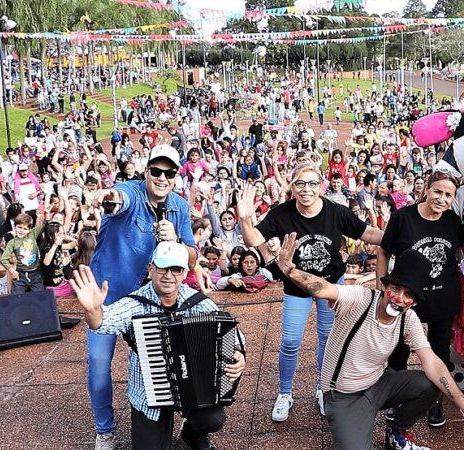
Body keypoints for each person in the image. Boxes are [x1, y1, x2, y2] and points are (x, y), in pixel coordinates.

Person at [274, 234, 464, 449]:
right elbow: (324, 288)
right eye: (396, 289)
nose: (400, 299)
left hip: (379, 384)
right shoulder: (360, 299)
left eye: (409, 295)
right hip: (344, 396)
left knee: (431, 384)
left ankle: (397, 432)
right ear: (385, 286)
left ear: (414, 302)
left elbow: (433, 363)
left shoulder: (408, 319)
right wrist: (291, 271)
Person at [237, 162, 383, 422]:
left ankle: (322, 389)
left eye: (313, 183)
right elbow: (252, 239)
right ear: (291, 186)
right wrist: (245, 218)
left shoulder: (336, 212)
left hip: (330, 285)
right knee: (291, 341)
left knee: (327, 338)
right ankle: (285, 393)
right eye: (300, 184)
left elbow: (367, 232)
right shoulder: (281, 214)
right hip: (296, 286)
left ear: (321, 186)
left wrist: (399, 234)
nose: (306, 190)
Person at [70, 242, 245, 450]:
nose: (168, 275)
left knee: (213, 419)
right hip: (148, 396)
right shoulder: (135, 303)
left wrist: (239, 355)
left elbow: (232, 335)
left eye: (176, 269)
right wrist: (92, 310)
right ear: (151, 269)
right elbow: (103, 323)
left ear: (184, 274)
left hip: (194, 393)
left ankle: (191, 432)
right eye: (162, 268)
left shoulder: (198, 302)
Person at [85, 144, 197, 450]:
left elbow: (192, 256)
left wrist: (175, 239)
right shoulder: (130, 191)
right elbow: (117, 199)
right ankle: (104, 429)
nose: (162, 177)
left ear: (176, 177)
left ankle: (180, 416)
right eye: (156, 171)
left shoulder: (180, 207)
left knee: (168, 359)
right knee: (98, 363)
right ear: (146, 171)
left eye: (169, 173)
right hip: (109, 295)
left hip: (151, 300)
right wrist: (107, 197)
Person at [377, 172, 463, 427]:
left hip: (442, 299)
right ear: (426, 189)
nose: (441, 199)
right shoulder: (403, 218)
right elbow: (383, 252)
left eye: (449, 195)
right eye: (438, 191)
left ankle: (435, 402)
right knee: (398, 353)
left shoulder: (453, 222)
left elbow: (460, 255)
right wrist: (383, 287)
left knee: (439, 354)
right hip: (405, 300)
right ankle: (397, 399)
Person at [1, 210, 46, 293]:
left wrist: (46, 215)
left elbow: (44, 226)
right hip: (20, 274)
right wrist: (12, 270)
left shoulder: (32, 234)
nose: (21, 230)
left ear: (29, 230)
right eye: (19, 227)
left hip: (35, 273)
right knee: (17, 296)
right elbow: (4, 259)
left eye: (25, 229)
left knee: (39, 295)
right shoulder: (12, 243)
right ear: (15, 226)